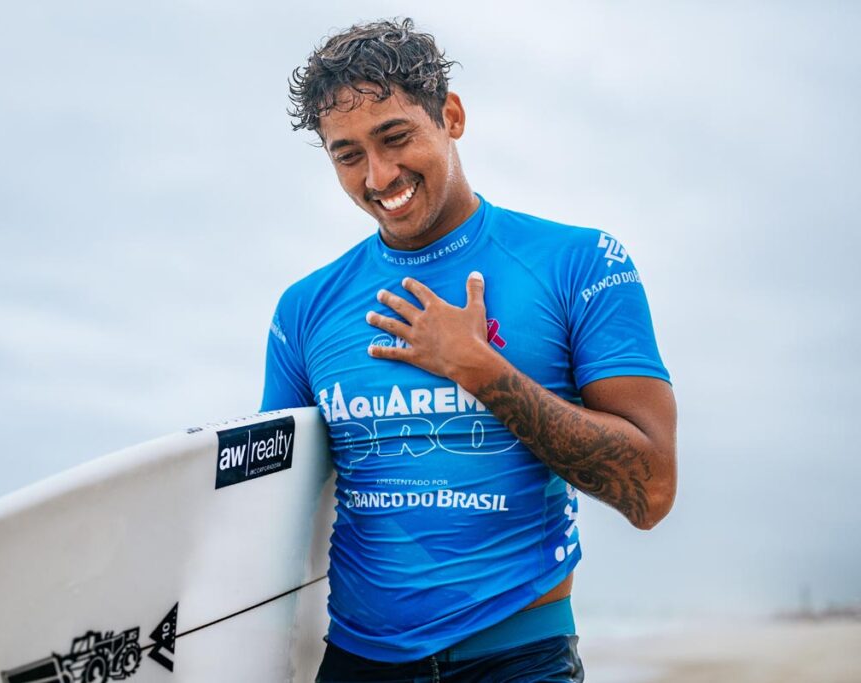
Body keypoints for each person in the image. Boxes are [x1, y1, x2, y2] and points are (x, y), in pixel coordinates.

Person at [262, 18, 677, 683]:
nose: (379, 174)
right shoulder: (304, 310)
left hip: (519, 659)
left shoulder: (579, 264)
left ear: (450, 116)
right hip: (360, 662)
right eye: (348, 154)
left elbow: (651, 490)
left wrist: (479, 368)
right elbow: (271, 509)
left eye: (396, 136)